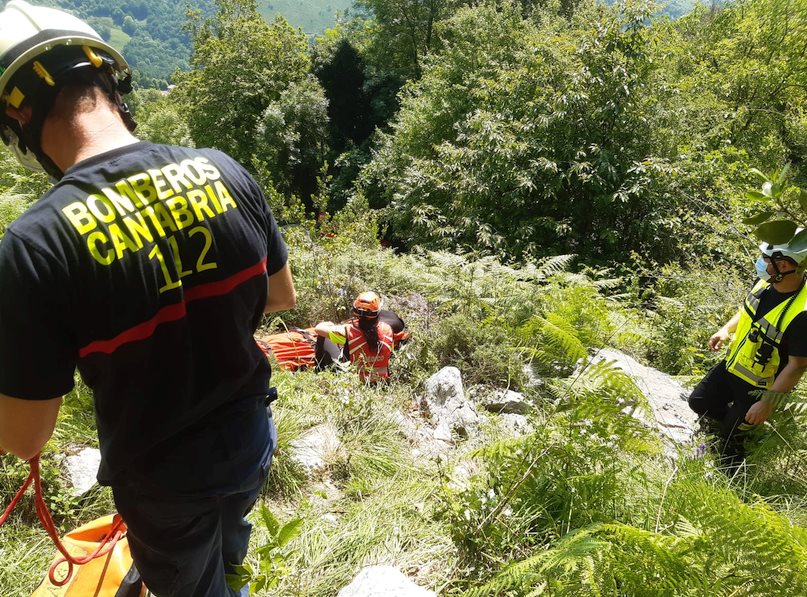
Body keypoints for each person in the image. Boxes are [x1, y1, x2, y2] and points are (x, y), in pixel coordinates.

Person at [0, 2, 296, 596]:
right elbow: (280, 295)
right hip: (249, 440)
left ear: (22, 115)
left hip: (163, 482)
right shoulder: (223, 169)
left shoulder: (36, 243)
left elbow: (24, 438)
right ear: (110, 82)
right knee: (228, 542)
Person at [688, 235, 807, 466]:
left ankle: (733, 465)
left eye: (765, 258)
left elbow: (797, 366)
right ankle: (729, 424)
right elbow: (747, 309)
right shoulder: (766, 281)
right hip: (733, 365)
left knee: (732, 437)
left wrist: (767, 403)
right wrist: (725, 330)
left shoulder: (802, 313)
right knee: (699, 402)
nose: (760, 262)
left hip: (758, 387)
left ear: (783, 265)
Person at [314, 291, 395, 382]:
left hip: (353, 382)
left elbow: (318, 329)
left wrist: (330, 324)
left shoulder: (348, 331)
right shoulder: (388, 329)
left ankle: (319, 374)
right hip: (381, 382)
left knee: (323, 337)